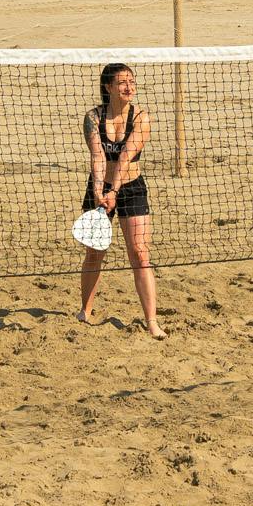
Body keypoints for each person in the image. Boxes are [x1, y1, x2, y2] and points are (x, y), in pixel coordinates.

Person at [78, 62, 166, 338]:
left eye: (132, 81)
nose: (129, 87)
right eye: (122, 82)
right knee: (94, 253)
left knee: (139, 253)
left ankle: (151, 321)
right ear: (108, 87)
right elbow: (98, 156)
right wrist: (98, 191)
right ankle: (85, 311)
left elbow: (126, 157)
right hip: (100, 188)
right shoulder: (93, 117)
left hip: (131, 187)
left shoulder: (141, 117)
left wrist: (113, 191)